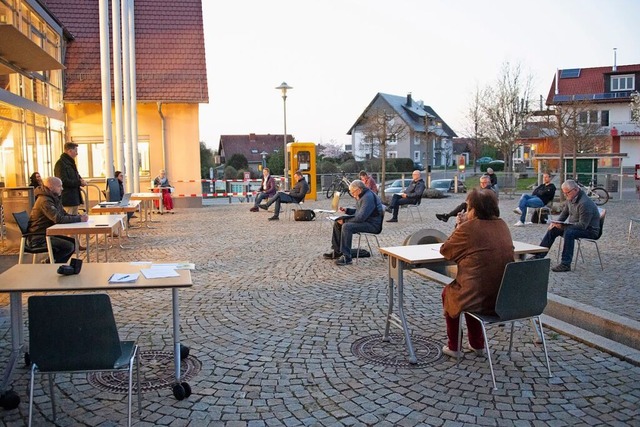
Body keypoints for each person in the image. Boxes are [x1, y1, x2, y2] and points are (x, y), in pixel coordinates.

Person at [440, 188, 514, 358]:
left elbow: (446, 250)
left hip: (481, 296)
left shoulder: (469, 228)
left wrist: (460, 226)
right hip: (504, 296)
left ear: (474, 209)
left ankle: (454, 346)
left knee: (450, 293)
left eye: (468, 207)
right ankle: (477, 344)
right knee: (472, 290)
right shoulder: (502, 224)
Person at [532, 179, 600, 272]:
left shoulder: (585, 203)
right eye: (564, 193)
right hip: (574, 227)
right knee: (553, 229)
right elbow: (564, 214)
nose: (565, 195)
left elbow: (583, 225)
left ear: (575, 190)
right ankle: (538, 255)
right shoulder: (571, 198)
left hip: (590, 230)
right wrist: (556, 223)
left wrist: (563, 226)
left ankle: (565, 264)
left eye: (567, 193)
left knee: (569, 232)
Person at [27, 176, 88, 263]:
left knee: (73, 243)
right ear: (51, 187)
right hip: (39, 237)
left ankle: (53, 263)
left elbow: (63, 214)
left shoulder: (52, 197)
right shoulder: (45, 200)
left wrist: (78, 217)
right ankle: (51, 264)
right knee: (69, 246)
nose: (62, 188)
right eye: (59, 186)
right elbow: (58, 219)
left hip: (47, 233)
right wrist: (79, 219)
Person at [323, 179, 384, 266]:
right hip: (367, 221)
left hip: (373, 225)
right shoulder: (363, 195)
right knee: (338, 223)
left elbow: (360, 217)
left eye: (352, 193)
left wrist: (344, 220)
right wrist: (347, 210)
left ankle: (347, 257)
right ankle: (337, 251)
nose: (352, 195)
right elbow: (359, 212)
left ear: (359, 190)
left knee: (346, 226)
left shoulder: (368, 197)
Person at [54, 142, 88, 215]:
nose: (77, 153)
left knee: (74, 219)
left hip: (74, 198)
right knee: (68, 220)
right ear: (69, 151)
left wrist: (81, 180)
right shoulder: (61, 164)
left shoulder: (70, 163)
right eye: (75, 151)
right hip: (67, 199)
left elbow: (76, 175)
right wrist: (79, 182)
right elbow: (62, 181)